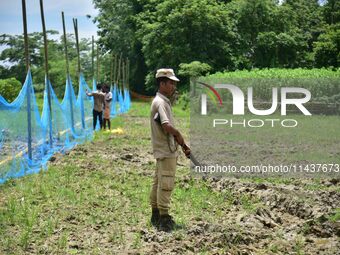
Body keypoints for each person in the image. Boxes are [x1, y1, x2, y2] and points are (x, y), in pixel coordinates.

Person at [149, 68, 190, 232]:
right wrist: (179, 134)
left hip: (164, 149)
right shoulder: (160, 102)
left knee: (158, 182)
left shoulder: (162, 101)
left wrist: (183, 145)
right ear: (162, 83)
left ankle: (155, 213)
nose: (173, 86)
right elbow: (166, 125)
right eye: (171, 83)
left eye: (174, 83)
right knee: (166, 183)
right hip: (166, 151)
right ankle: (164, 218)